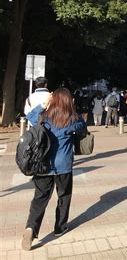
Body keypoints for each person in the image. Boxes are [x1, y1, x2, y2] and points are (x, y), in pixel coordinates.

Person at [21, 88, 86, 251]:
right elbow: (83, 128)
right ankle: (60, 227)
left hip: (42, 166)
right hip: (63, 167)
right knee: (64, 196)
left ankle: (31, 228)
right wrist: (73, 107)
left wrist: (44, 104)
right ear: (68, 101)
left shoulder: (43, 117)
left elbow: (29, 116)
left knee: (40, 198)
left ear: (53, 101)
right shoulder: (72, 119)